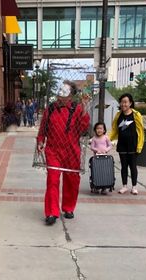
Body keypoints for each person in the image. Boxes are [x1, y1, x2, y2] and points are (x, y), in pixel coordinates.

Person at [37, 81, 90, 225]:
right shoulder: (51, 108)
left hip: (71, 149)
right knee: (52, 180)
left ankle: (68, 208)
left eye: (64, 96)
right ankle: (52, 212)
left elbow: (83, 128)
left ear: (71, 96)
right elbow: (44, 127)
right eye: (59, 95)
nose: (60, 98)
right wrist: (41, 140)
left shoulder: (77, 109)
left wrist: (85, 108)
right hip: (53, 149)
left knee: (72, 180)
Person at [109, 93, 144, 195]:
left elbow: (141, 131)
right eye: (122, 102)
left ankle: (134, 187)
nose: (123, 104)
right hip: (122, 145)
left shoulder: (136, 115)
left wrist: (139, 145)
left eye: (125, 102)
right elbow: (115, 130)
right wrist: (107, 139)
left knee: (133, 166)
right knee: (124, 166)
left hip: (133, 144)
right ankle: (124, 186)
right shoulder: (118, 115)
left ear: (130, 103)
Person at [90, 122, 113, 194]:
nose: (99, 130)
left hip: (105, 159)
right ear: (95, 130)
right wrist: (97, 150)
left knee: (104, 173)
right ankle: (96, 187)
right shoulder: (94, 138)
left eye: (101, 128)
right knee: (96, 172)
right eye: (97, 128)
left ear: (104, 130)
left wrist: (106, 150)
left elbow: (110, 145)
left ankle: (104, 188)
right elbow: (92, 147)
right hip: (96, 159)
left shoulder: (106, 137)